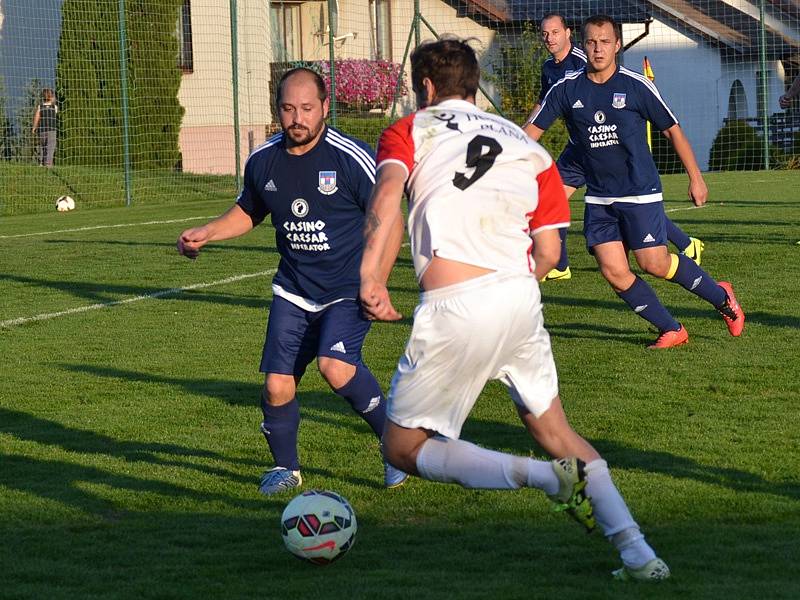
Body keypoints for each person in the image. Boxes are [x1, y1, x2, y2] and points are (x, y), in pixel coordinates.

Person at [360, 37, 670, 582]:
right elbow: (549, 252)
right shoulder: (529, 149)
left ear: (426, 87)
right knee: (559, 433)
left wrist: (372, 276)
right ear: (474, 86)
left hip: (457, 306)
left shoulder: (412, 129)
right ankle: (640, 556)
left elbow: (387, 197)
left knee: (403, 445)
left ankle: (541, 478)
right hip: (521, 299)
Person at [176, 67, 407, 495]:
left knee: (336, 368)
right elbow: (249, 210)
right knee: (276, 384)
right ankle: (286, 469)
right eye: (287, 108)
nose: (296, 118)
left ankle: (395, 446)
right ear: (276, 110)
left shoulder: (349, 157)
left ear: (323, 107)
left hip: (346, 287)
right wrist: (208, 232)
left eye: (306, 108)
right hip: (294, 289)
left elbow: (390, 218)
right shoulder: (264, 159)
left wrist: (375, 278)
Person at [525, 15, 745, 348]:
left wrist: (696, 178)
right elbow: (531, 134)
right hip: (599, 197)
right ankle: (671, 328)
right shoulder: (567, 86)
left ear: (617, 45)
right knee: (613, 270)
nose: (598, 49)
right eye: (591, 42)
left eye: (604, 42)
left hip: (639, 190)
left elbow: (672, 129)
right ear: (582, 44)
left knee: (653, 263)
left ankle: (722, 297)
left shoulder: (635, 85)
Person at [529, 14, 703, 282]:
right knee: (553, 200)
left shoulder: (583, 61)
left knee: (637, 218)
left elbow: (671, 128)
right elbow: (544, 104)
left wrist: (696, 177)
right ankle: (560, 264)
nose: (549, 38)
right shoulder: (549, 69)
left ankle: (686, 244)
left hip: (611, 155)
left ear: (568, 33)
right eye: (544, 33)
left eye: (554, 32)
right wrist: (516, 136)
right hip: (580, 150)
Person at [32, 88, 58, 167]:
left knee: (42, 146)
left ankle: (41, 163)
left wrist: (34, 127)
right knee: (50, 146)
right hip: (51, 130)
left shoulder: (40, 106)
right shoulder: (55, 107)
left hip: (42, 130)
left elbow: (37, 117)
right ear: (51, 97)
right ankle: (48, 164)